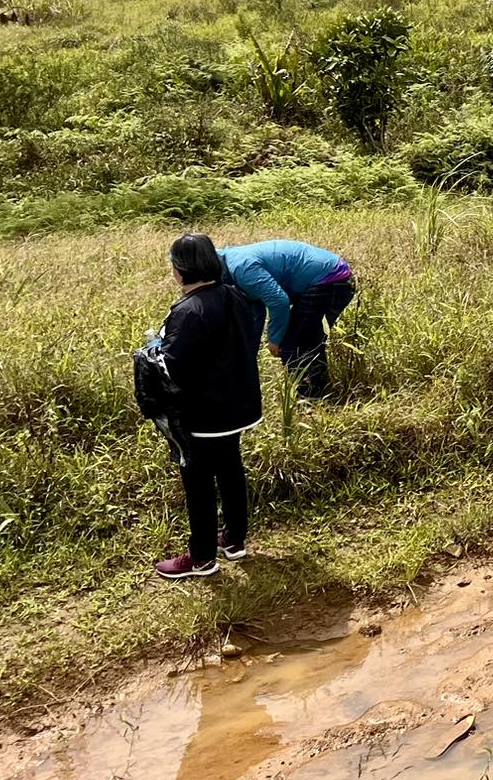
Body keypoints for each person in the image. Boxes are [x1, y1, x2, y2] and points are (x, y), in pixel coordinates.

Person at [152, 234, 263, 579]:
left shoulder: (188, 311)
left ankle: (200, 558)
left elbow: (173, 368)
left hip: (203, 414)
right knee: (230, 470)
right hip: (238, 406)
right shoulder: (237, 297)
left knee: (198, 482)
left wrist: (154, 348)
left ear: (180, 269)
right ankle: (233, 540)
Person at [221, 239, 356, 399]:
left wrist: (275, 339)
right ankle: (317, 394)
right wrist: (250, 352)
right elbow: (256, 310)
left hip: (330, 280)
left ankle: (313, 399)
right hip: (326, 279)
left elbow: (279, 302)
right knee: (306, 341)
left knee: (296, 345)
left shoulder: (241, 267)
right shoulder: (230, 263)